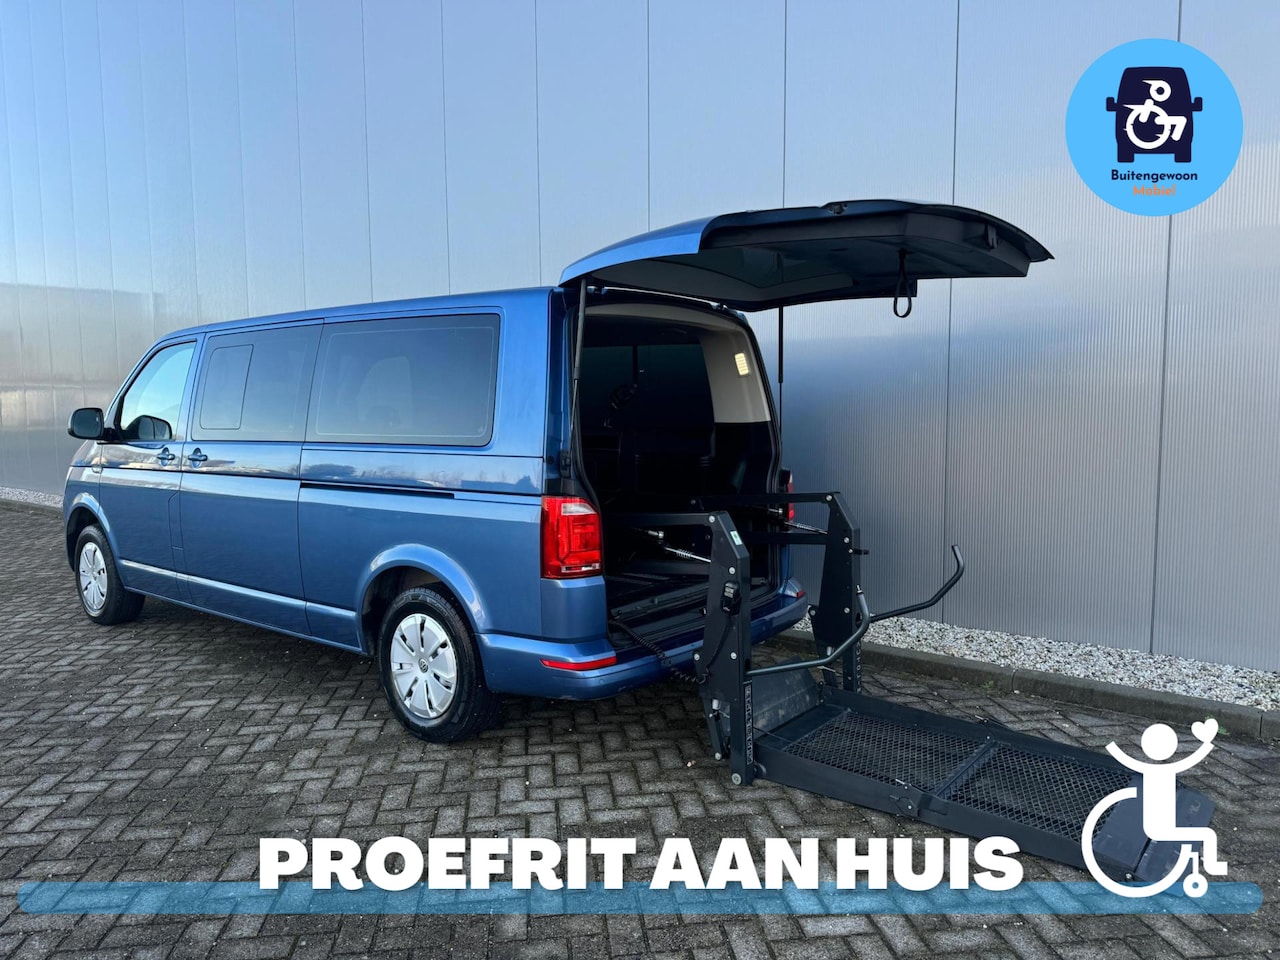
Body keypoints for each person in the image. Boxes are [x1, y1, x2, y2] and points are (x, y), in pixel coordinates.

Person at [1106, 719, 1226, 875]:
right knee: (1207, 835)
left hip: (1160, 825)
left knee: (1205, 835)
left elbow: (1128, 761)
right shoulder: (1166, 770)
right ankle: (1212, 866)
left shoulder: (1152, 770)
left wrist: (1112, 746)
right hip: (1158, 829)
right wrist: (1206, 744)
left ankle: (1209, 866)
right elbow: (1188, 761)